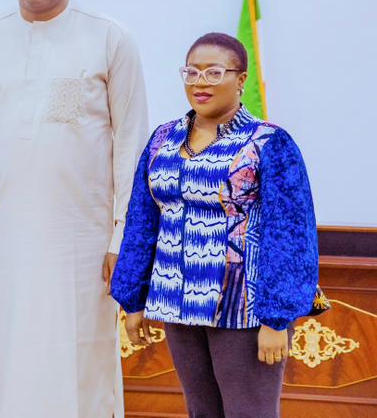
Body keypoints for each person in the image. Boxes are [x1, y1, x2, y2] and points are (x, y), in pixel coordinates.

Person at [0, 0, 149, 417]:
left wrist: (121, 239)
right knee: (2, 357)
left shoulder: (110, 38)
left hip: (82, 242)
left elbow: (131, 145)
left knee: (79, 360)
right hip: (1, 240)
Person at [112, 32, 319, 418]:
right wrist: (133, 297)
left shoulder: (268, 143)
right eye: (191, 72)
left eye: (213, 72)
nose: (199, 82)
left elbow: (291, 234)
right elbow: (143, 220)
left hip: (244, 307)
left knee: (248, 413)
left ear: (241, 80)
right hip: (177, 298)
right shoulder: (162, 139)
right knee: (202, 412)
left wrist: (278, 318)